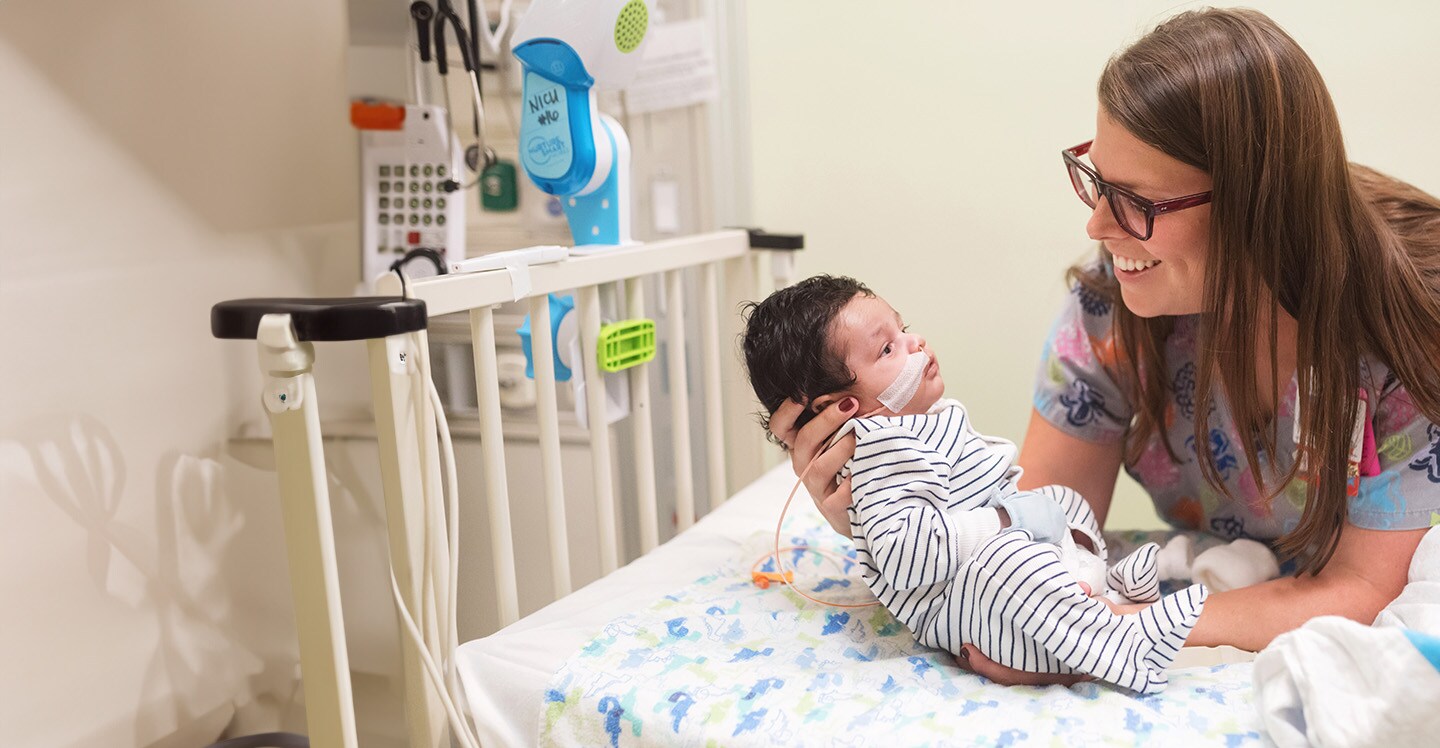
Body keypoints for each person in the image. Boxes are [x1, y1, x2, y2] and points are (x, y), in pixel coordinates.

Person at [767, 7, 1440, 687]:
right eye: (1097, 180)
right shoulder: (1115, 307)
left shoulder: (1405, 327)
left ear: (1254, 205)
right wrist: (889, 515)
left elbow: (1363, 590)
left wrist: (1112, 630)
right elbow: (1040, 527)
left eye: (1136, 202)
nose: (1096, 225)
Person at [741, 274, 1208, 692]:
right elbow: (908, 557)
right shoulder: (882, 448)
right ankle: (1120, 640)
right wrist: (1007, 519)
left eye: (903, 329)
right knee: (1005, 564)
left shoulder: (924, 420)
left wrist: (1034, 516)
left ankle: (1095, 580)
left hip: (1008, 549)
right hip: (965, 601)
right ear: (839, 407)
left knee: (1063, 499)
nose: (915, 342)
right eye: (886, 349)